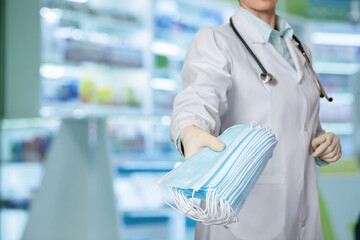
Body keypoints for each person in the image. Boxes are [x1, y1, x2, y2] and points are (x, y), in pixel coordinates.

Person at [169, 0, 342, 239]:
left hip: (301, 212)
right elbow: (199, 97)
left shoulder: (300, 48)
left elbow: (301, 123)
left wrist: (323, 140)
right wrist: (191, 129)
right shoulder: (216, 40)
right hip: (242, 217)